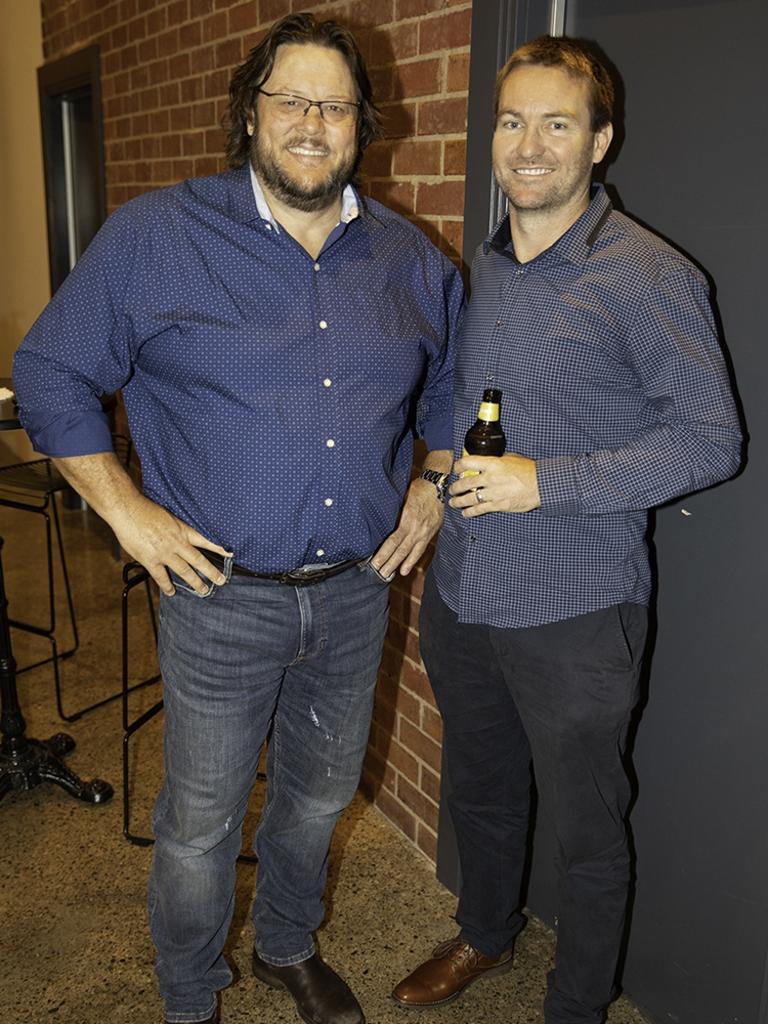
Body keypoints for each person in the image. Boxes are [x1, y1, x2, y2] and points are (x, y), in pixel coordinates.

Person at [14, 13, 462, 1024]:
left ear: (362, 125)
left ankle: (287, 945)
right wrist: (125, 511)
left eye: (335, 103)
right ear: (249, 114)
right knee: (202, 820)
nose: (312, 121)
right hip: (217, 596)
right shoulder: (159, 237)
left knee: (314, 799)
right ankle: (188, 994)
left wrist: (433, 483)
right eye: (290, 98)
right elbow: (51, 371)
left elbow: (453, 388)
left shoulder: (407, 257)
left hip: (354, 596)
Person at [391, 35, 741, 1024]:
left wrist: (550, 482)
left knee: (591, 834)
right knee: (483, 788)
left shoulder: (648, 274)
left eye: (557, 122)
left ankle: (576, 1004)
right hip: (465, 595)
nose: (528, 145)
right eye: (512, 120)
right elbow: (466, 408)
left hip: (576, 613)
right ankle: (486, 931)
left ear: (601, 141)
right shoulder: (488, 263)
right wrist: (436, 473)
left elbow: (713, 442)